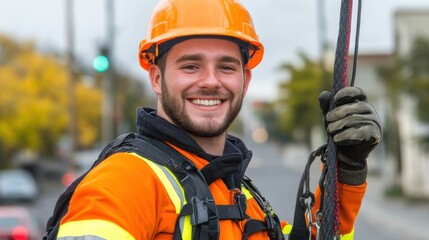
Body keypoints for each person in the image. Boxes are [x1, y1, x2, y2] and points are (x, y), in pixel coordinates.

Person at [53, 0, 382, 239]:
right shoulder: (125, 181)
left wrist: (347, 170)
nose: (211, 81)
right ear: (156, 78)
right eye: (191, 66)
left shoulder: (241, 195)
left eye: (226, 66)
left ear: (245, 81)